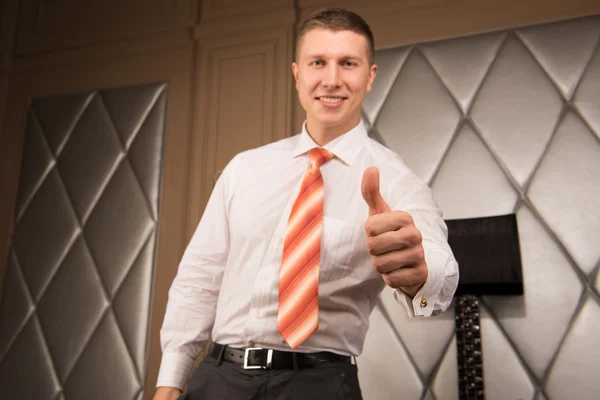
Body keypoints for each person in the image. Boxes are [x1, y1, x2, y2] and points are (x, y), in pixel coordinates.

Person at [154, 7, 458, 400]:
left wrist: (418, 272)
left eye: (348, 63)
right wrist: (170, 381)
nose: (331, 80)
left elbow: (440, 270)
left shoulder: (395, 179)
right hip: (218, 380)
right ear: (298, 74)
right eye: (318, 63)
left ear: (370, 76)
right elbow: (199, 279)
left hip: (319, 385)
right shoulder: (244, 169)